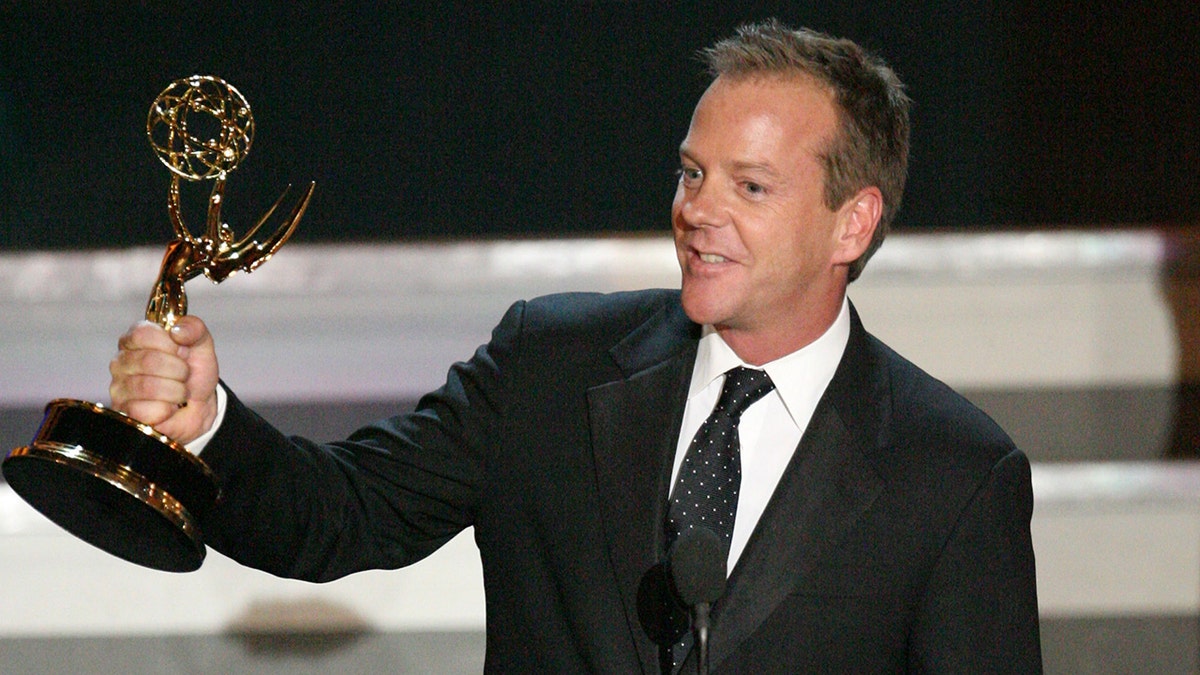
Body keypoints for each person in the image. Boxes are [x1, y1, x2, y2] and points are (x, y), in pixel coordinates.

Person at [109, 19, 1042, 673]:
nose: (696, 211)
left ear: (853, 223)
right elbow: (339, 513)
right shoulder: (549, 366)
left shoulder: (953, 473)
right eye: (692, 172)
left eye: (750, 188)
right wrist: (210, 426)